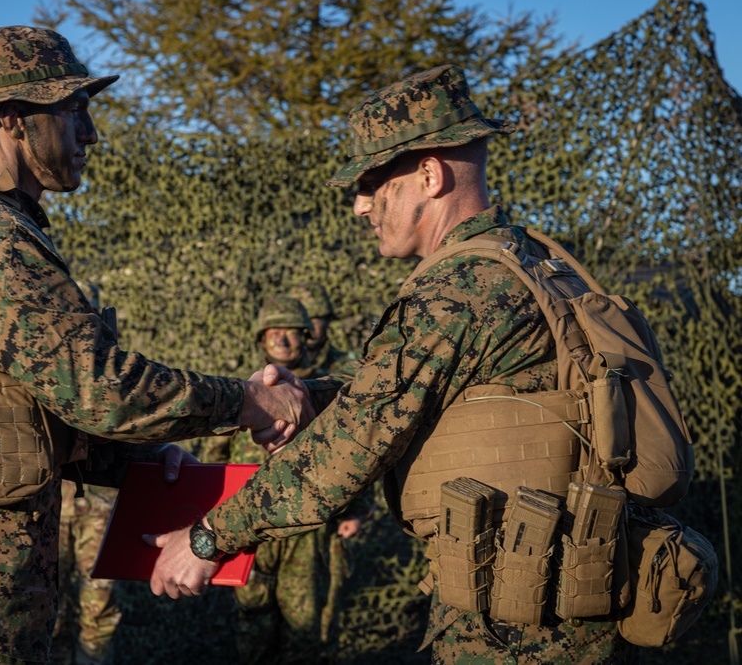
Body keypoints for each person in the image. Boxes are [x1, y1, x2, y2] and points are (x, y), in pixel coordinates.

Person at [0, 26, 313, 664]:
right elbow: (97, 389)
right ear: (12, 120)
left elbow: (10, 406)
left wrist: (140, 460)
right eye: (73, 111)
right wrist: (246, 401)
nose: (90, 134)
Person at [148, 65, 638, 663]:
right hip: (566, 593)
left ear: (429, 175)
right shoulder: (530, 261)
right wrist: (304, 394)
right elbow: (400, 394)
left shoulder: (460, 287)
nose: (359, 206)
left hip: (516, 625)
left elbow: (345, 454)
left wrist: (205, 540)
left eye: (373, 183)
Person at [230, 296, 371, 664]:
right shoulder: (239, 392)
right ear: (260, 338)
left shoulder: (327, 392)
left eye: (291, 332)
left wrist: (357, 509)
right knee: (251, 621)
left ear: (306, 337)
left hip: (305, 528)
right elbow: (217, 461)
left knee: (305, 625)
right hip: (247, 528)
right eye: (273, 332)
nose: (282, 340)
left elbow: (358, 452)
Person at [53, 280, 121, 665]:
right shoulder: (40, 364)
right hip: (51, 504)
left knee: (100, 604)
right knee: (47, 604)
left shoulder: (112, 369)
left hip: (100, 505)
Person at [286, 282, 359, 380]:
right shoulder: (268, 365)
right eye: (300, 322)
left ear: (327, 321)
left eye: (313, 321)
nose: (307, 328)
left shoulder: (349, 366)